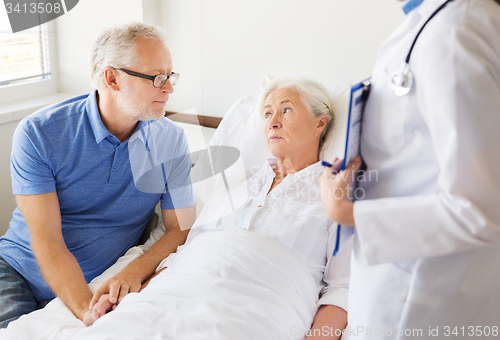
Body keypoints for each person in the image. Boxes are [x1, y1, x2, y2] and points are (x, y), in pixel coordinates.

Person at [77, 77, 351, 339]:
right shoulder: (237, 181)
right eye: (267, 114)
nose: (273, 123)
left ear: (320, 124)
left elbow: (341, 289)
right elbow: (189, 250)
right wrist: (133, 300)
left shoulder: (336, 195)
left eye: (286, 110)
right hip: (182, 287)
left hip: (258, 307)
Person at [320, 0, 500, 338]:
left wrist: (347, 212)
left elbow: (481, 207)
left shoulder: (454, 32)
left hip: (422, 297)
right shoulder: (431, 23)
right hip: (403, 279)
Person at [0, 22, 195, 328]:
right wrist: (84, 312)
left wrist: (134, 271)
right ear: (112, 78)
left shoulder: (171, 141)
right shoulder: (39, 134)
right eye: (157, 78)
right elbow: (48, 240)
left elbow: (179, 228)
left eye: (170, 76)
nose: (169, 88)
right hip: (17, 273)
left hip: (99, 282)